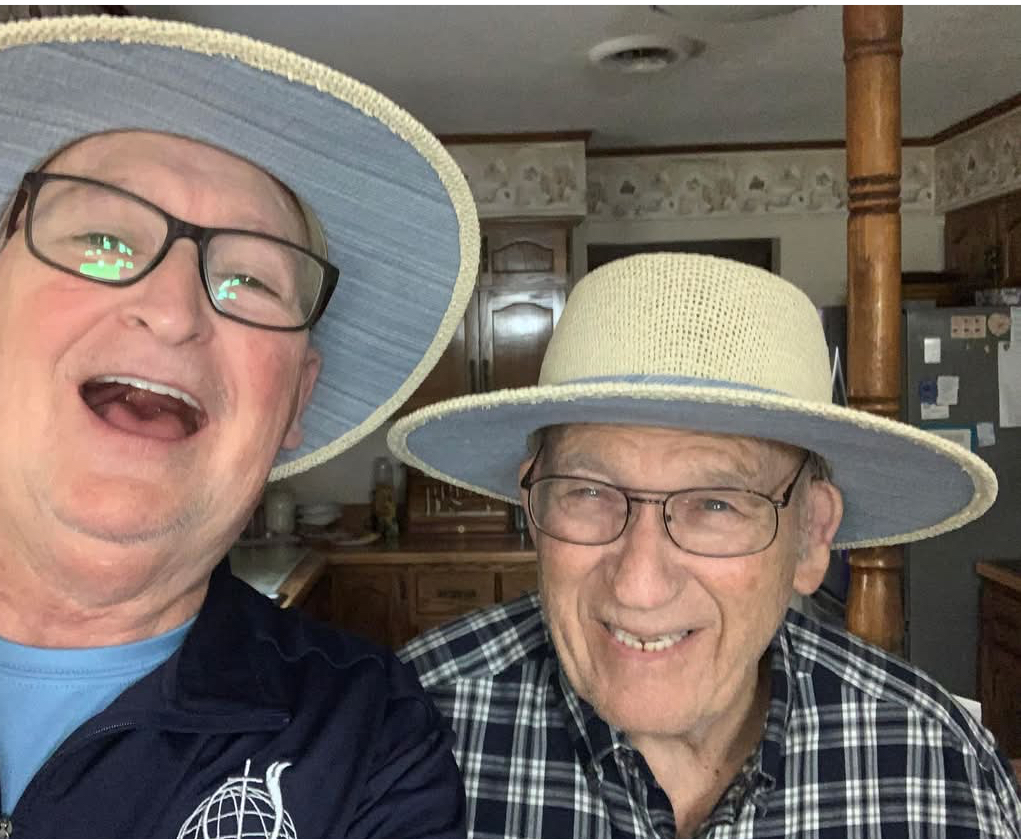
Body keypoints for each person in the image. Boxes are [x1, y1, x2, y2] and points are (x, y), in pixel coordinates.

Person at [0, 15, 479, 839]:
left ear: (297, 400)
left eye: (248, 281)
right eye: (103, 240)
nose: (174, 311)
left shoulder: (365, 737)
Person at [390, 253, 1021, 838]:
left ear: (810, 536)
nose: (639, 585)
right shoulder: (400, 730)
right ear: (533, 504)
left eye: (716, 505)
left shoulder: (935, 769)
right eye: (587, 492)